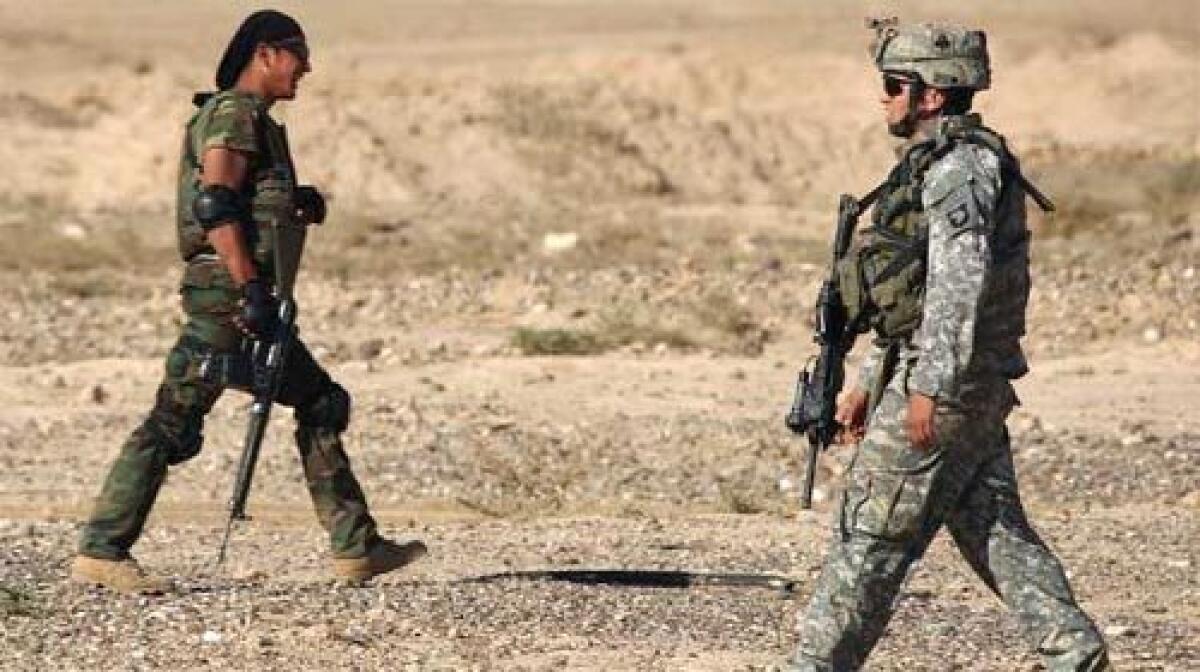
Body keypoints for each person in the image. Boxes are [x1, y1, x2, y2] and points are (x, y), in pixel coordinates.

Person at [786, 19, 1110, 671]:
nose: (883, 98)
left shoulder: (962, 169)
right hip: (961, 383)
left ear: (932, 94)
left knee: (869, 538)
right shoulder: (931, 165)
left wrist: (929, 387)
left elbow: (957, 289)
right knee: (993, 529)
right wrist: (867, 385)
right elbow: (910, 296)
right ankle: (1074, 653)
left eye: (893, 84)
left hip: (947, 386)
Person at [70, 10, 426, 594]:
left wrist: (294, 201)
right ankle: (102, 549)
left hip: (247, 296)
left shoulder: (257, 120)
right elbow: (216, 204)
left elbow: (248, 197)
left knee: (320, 399)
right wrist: (250, 288)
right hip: (230, 299)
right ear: (265, 53)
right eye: (297, 54)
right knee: (174, 416)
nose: (306, 67)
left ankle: (356, 545)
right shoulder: (235, 115)